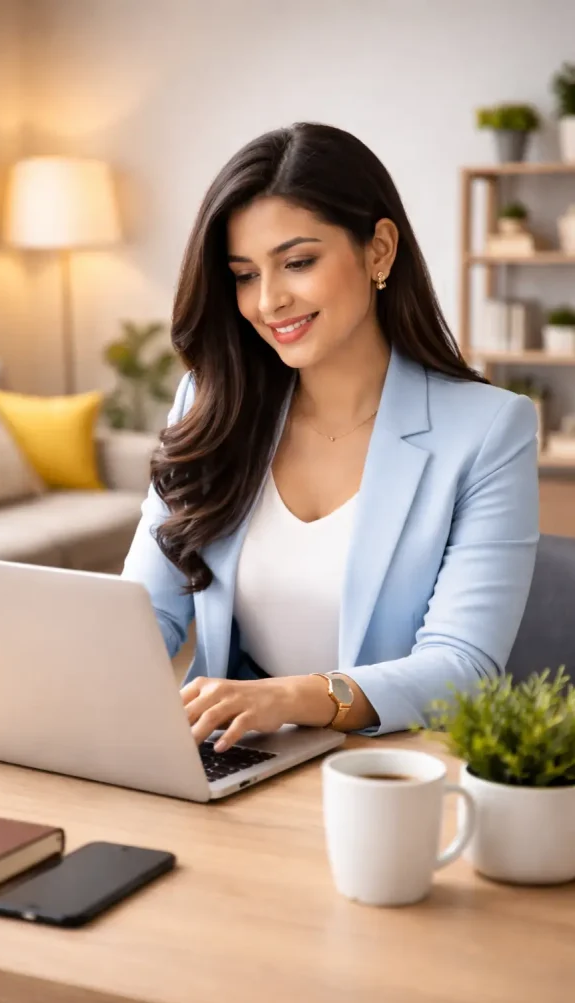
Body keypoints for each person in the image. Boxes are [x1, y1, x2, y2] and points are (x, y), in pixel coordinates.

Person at [122, 122, 539, 754]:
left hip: (391, 768)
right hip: (238, 758)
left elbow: (463, 668)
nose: (269, 301)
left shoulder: (487, 430)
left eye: (298, 262)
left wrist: (291, 698)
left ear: (379, 250)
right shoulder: (212, 406)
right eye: (243, 274)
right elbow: (144, 614)